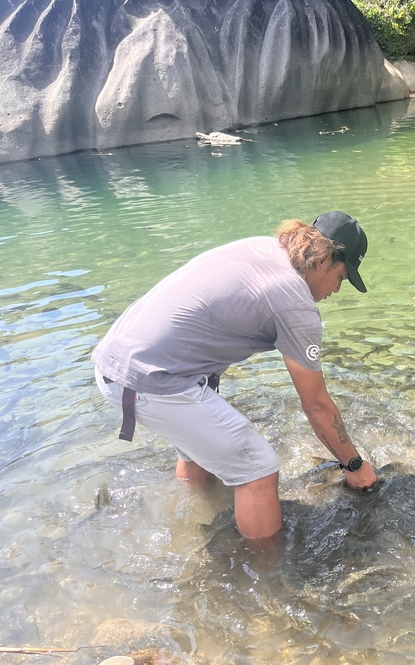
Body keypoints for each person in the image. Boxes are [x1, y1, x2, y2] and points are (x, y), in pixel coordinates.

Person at [92, 212, 378, 540]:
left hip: (116, 365)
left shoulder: (265, 248)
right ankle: (266, 576)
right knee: (258, 468)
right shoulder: (295, 304)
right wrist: (355, 466)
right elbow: (316, 406)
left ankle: (195, 521)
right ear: (325, 260)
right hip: (153, 380)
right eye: (342, 278)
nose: (338, 291)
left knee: (201, 455)